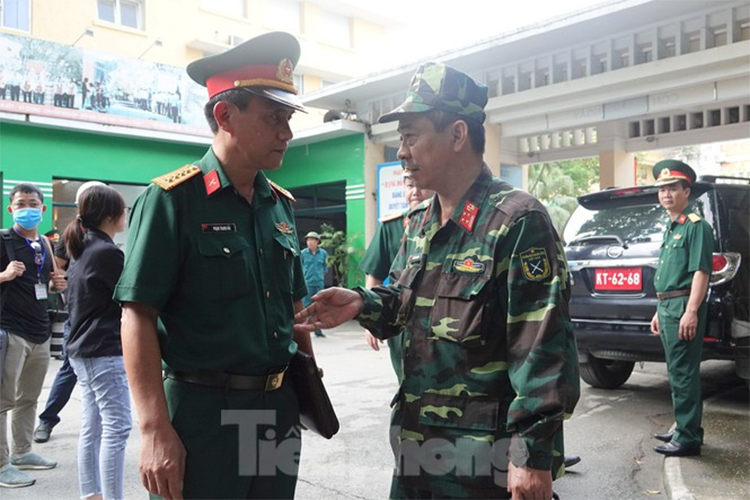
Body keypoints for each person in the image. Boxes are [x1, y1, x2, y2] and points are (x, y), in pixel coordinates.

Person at [295, 62, 580, 499]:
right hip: (417, 449)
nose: (402, 152)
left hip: (485, 461)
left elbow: (542, 344)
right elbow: (414, 301)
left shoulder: (517, 221)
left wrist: (532, 456)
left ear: (458, 134)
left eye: (411, 136)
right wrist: (362, 303)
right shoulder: (421, 222)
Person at [113, 31, 313, 499]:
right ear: (225, 114)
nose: (287, 132)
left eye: (289, 118)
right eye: (274, 118)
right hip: (202, 415)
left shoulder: (279, 204)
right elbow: (137, 315)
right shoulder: (171, 201)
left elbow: (295, 308)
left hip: (275, 411)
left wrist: (308, 386)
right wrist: (153, 429)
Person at [64, 185, 131, 500]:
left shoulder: (83, 248)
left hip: (84, 350)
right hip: (103, 350)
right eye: (123, 209)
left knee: (94, 427)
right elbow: (132, 296)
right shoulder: (107, 252)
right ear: (110, 216)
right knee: (117, 428)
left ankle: (91, 494)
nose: (126, 214)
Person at [0, 183, 66, 488]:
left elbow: (49, 283)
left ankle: (23, 452)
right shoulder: (3, 240)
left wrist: (57, 285)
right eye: (21, 203)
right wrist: (4, 275)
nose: (27, 208)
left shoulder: (45, 243)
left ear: (42, 209)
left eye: (33, 203)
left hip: (39, 329)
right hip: (9, 330)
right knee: (2, 400)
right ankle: (1, 465)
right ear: (12, 208)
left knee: (28, 397)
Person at [34, 181, 108, 444]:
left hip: (103, 316)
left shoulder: (106, 239)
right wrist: (63, 280)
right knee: (69, 369)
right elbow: (56, 278)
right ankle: (46, 420)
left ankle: (102, 423)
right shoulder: (71, 236)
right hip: (78, 316)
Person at [650, 160, 713, 458]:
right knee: (676, 372)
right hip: (668, 305)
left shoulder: (696, 226)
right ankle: (682, 427)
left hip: (683, 306)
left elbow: (701, 271)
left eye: (672, 188)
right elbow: (669, 274)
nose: (666, 194)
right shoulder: (672, 226)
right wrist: (658, 309)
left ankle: (688, 438)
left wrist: (691, 311)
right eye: (662, 189)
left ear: (687, 191)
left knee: (685, 372)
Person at [361, 174, 434, 382]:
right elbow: (374, 275)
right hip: (401, 321)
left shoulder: (450, 222)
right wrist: (371, 320)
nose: (415, 191)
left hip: (440, 321)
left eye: (421, 185)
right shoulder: (391, 226)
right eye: (410, 185)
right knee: (407, 383)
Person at [301, 231, 328, 338]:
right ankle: (305, 329)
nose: (309, 242)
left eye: (312, 240)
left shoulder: (323, 253)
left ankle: (318, 329)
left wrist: (320, 278)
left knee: (319, 306)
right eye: (308, 240)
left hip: (319, 284)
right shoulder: (302, 254)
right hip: (307, 283)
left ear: (317, 241)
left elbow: (325, 268)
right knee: (306, 306)